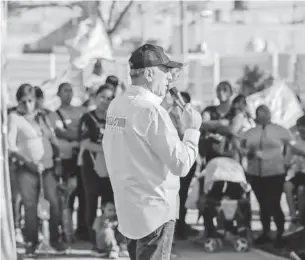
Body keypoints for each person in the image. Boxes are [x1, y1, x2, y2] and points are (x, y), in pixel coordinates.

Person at [102, 43, 202, 260]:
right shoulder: (151, 112)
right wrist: (193, 130)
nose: (170, 78)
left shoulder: (116, 105)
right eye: (165, 71)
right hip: (155, 211)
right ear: (148, 73)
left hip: (129, 210)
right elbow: (181, 164)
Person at [8, 84, 65, 256]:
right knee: (30, 206)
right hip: (27, 169)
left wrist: (58, 160)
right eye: (23, 102)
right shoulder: (14, 118)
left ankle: (54, 240)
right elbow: (10, 147)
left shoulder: (42, 116)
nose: (27, 105)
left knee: (54, 204)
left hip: (47, 167)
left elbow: (53, 139)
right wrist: (27, 162)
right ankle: (31, 243)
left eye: (30, 101)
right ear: (18, 102)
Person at [240, 105, 294, 248]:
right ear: (256, 115)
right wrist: (248, 153)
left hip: (275, 172)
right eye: (259, 113)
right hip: (255, 173)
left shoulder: (280, 130)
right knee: (262, 203)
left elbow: (289, 148)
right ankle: (266, 232)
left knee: (274, 203)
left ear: (270, 114)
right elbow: (242, 148)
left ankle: (280, 233)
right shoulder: (250, 133)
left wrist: (287, 164)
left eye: (265, 113)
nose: (262, 116)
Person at [78, 84, 116, 252]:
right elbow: (85, 142)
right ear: (95, 98)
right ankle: (94, 240)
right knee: (91, 203)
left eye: (110, 98)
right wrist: (105, 148)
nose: (106, 101)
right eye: (103, 97)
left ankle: (108, 239)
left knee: (109, 204)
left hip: (111, 168)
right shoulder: (87, 118)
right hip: (91, 168)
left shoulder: (116, 117)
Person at [48, 82, 88, 240]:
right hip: (66, 160)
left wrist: (73, 132)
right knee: (67, 197)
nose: (68, 94)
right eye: (65, 91)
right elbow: (60, 133)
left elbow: (85, 130)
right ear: (58, 94)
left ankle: (83, 230)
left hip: (81, 159)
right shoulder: (54, 114)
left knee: (83, 195)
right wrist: (77, 133)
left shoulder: (81, 110)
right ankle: (67, 230)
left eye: (70, 91)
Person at [167, 91, 199, 239]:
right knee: (174, 195)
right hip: (175, 159)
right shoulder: (170, 114)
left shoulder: (188, 115)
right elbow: (180, 133)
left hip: (187, 158)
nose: (178, 104)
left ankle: (180, 226)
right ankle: (173, 228)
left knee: (183, 194)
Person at [199, 81, 233, 162]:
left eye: (225, 90)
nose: (221, 92)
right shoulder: (209, 110)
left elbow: (232, 129)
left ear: (231, 93)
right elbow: (202, 124)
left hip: (230, 155)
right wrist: (220, 123)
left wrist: (212, 125)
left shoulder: (235, 111)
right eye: (219, 90)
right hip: (209, 155)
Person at [283, 115, 305, 236]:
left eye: (304, 131)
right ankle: (293, 217)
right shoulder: (296, 141)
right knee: (287, 186)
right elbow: (287, 161)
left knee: (302, 190)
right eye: (300, 131)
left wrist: (301, 154)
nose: (302, 134)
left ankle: (302, 219)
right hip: (300, 174)